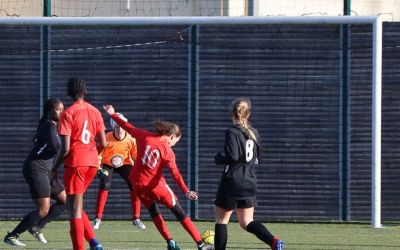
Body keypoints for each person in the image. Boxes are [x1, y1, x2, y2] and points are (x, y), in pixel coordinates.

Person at [103, 104, 213, 250]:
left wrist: (112, 114)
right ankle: (201, 244)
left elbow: (126, 126)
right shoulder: (167, 151)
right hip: (156, 186)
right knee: (179, 212)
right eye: (175, 141)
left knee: (154, 212)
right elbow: (175, 174)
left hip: (136, 184)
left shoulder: (143, 135)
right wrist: (186, 190)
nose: (174, 145)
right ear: (172, 136)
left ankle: (170, 242)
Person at [213, 97, 283, 250]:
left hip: (232, 182)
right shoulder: (254, 133)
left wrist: (219, 158)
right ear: (248, 114)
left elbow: (233, 156)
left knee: (221, 221)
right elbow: (258, 159)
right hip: (249, 182)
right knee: (247, 222)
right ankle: (274, 241)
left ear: (232, 114)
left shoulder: (232, 132)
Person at [52, 77, 106, 250]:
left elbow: (66, 148)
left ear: (69, 92)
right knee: (74, 203)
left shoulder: (68, 113)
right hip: (91, 163)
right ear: (85, 91)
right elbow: (104, 143)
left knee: (74, 209)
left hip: (75, 163)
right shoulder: (95, 111)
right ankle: (94, 242)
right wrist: (92, 156)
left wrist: (54, 167)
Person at [4, 98, 67, 246]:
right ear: (49, 110)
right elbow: (57, 146)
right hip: (36, 168)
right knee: (43, 209)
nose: (61, 112)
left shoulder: (52, 126)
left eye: (62, 110)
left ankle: (37, 227)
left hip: (48, 171)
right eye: (58, 109)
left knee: (65, 201)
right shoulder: (49, 126)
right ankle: (12, 236)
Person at [92, 112, 145, 230]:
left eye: (123, 126)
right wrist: (98, 168)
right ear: (113, 126)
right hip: (107, 164)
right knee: (105, 184)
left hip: (124, 164)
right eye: (118, 126)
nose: (120, 129)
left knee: (134, 185)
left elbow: (135, 156)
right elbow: (97, 155)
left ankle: (136, 218)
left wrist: (139, 169)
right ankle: (98, 219)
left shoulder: (130, 139)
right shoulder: (106, 137)